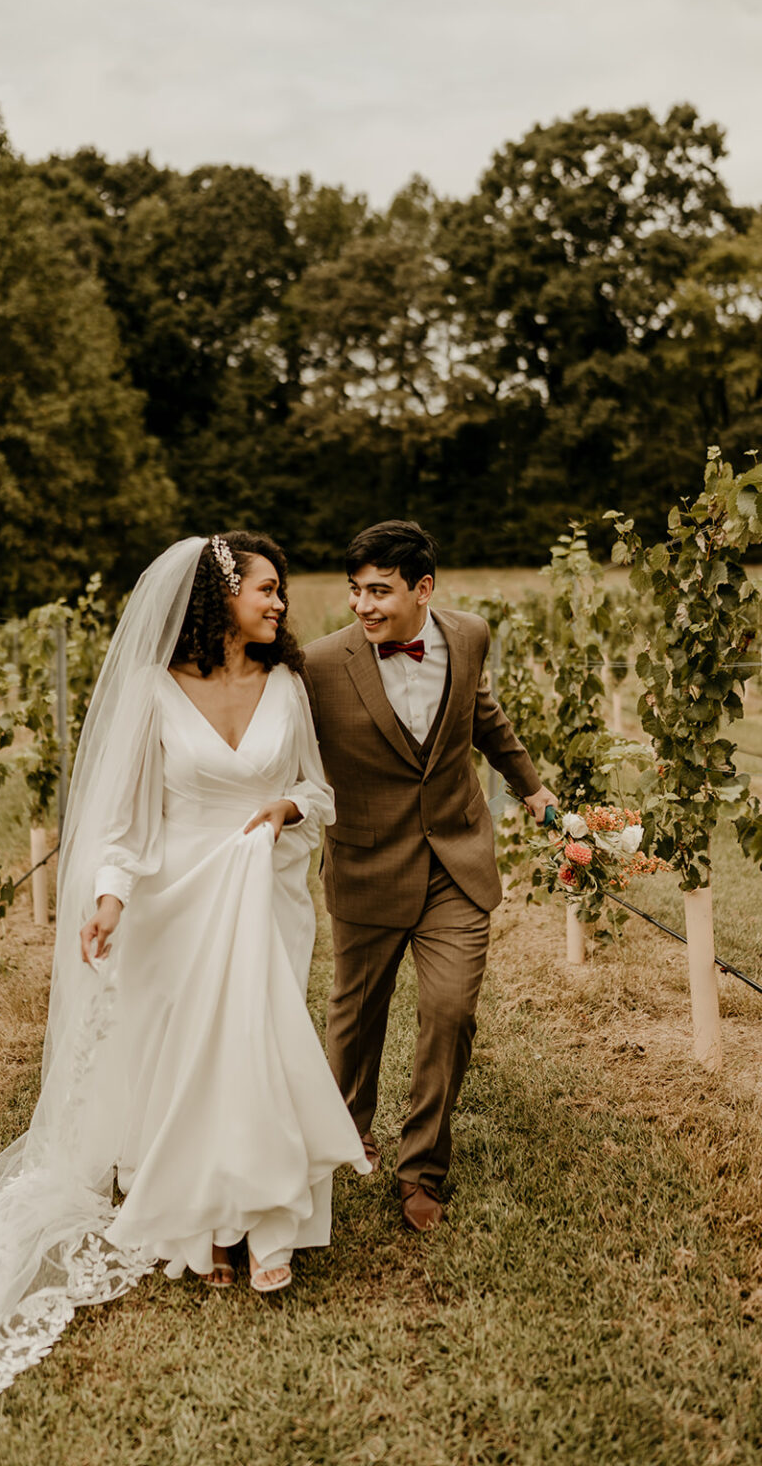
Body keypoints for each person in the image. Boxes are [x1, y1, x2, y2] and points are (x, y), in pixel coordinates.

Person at [0, 533, 368, 1416]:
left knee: (257, 1047)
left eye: (280, 591)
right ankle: (210, 1227)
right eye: (265, 589)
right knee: (190, 1062)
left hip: (261, 894)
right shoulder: (152, 691)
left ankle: (268, 1222)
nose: (280, 603)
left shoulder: (287, 687)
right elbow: (126, 820)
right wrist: (107, 898)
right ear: (219, 601)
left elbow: (319, 792)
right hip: (174, 898)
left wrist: (288, 806)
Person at [303, 521, 555, 1233]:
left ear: (424, 590)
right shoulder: (319, 665)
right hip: (366, 862)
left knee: (449, 1012)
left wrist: (532, 788)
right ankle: (343, 1131)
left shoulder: (469, 635)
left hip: (456, 859)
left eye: (379, 591)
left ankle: (423, 1171)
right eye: (355, 591)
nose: (363, 606)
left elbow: (482, 714)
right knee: (354, 1020)